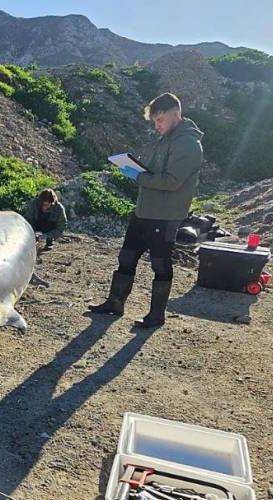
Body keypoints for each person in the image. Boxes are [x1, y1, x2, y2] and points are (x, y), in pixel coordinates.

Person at [89, 92, 204, 328]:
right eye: (154, 121)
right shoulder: (164, 140)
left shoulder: (188, 144)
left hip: (165, 216)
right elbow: (151, 171)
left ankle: (156, 316)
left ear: (176, 114)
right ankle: (115, 303)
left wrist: (138, 176)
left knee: (160, 264)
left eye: (160, 120)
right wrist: (135, 167)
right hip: (144, 211)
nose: (157, 125)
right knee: (126, 257)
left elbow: (172, 181)